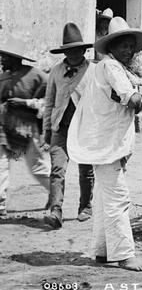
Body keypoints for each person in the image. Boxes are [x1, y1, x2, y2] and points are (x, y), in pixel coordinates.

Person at [67, 17, 142, 271]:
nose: (128, 50)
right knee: (118, 197)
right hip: (106, 144)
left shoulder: (106, 67)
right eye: (123, 45)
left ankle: (102, 250)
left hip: (105, 142)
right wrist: (140, 100)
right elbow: (132, 98)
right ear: (112, 46)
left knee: (104, 197)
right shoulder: (111, 68)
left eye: (130, 46)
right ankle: (125, 254)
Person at [41, 23, 95, 228]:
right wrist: (47, 130)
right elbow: (49, 102)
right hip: (60, 128)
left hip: (84, 128)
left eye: (77, 50)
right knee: (57, 169)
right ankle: (56, 211)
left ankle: (86, 206)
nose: (73, 54)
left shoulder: (93, 71)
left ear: (83, 50)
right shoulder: (56, 72)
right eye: (69, 51)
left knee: (86, 170)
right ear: (64, 52)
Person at [0, 36, 51, 218]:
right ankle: (0, 204)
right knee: (1, 166)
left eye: (5, 57)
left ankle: (55, 192)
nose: (1, 60)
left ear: (14, 59)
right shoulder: (2, 78)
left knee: (36, 166)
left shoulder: (37, 76)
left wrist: (26, 103)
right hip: (3, 128)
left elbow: (48, 101)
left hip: (28, 128)